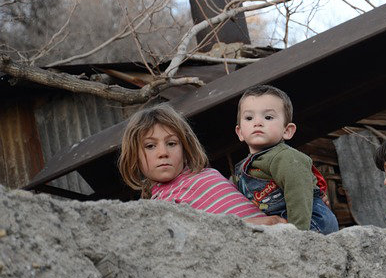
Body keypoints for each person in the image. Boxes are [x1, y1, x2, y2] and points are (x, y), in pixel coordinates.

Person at [118, 104, 286, 226]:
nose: (163, 152)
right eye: (150, 146)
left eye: (171, 143)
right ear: (135, 157)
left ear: (185, 149)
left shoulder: (208, 176)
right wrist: (253, 224)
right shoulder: (156, 209)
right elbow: (202, 236)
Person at [234, 84, 339, 234]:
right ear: (240, 132)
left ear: (287, 131)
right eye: (249, 117)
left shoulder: (285, 157)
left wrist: (297, 234)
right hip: (283, 221)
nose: (257, 122)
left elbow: (298, 192)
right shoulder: (242, 167)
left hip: (308, 221)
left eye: (268, 117)